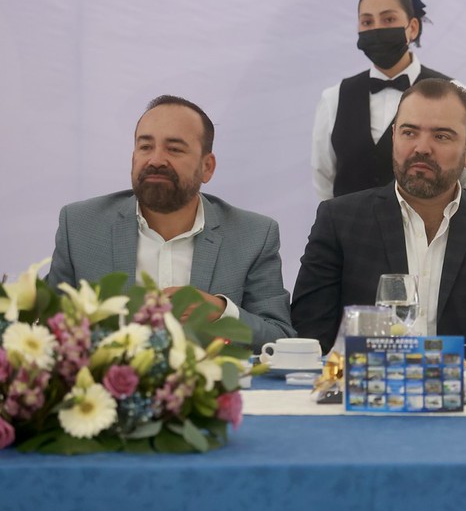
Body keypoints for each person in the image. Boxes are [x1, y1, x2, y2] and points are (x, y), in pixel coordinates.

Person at [293, 78, 466, 359]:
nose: (422, 148)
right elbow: (309, 338)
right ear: (394, 137)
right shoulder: (340, 222)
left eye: (441, 136)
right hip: (369, 383)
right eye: (409, 133)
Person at [47, 95, 296, 349]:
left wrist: (221, 312)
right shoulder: (80, 226)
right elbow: (44, 328)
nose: (156, 160)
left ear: (207, 167)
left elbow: (281, 339)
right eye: (145, 146)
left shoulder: (253, 235)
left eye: (174, 149)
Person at [310, 0, 466, 200]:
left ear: (413, 27)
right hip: (347, 221)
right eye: (367, 22)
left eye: (388, 19)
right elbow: (324, 179)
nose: (377, 29)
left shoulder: (457, 95)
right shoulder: (334, 98)